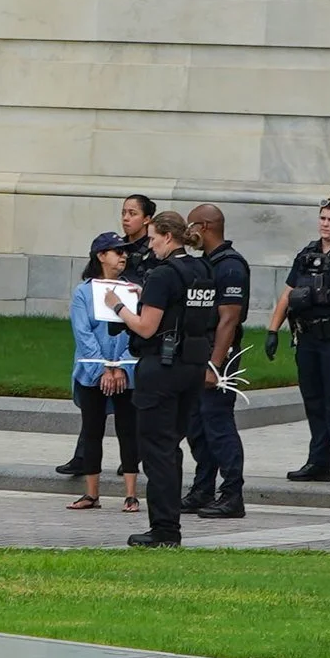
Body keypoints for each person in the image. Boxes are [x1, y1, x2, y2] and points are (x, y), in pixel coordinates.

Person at [116, 211, 217, 549]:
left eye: (155, 237)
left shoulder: (163, 274)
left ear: (168, 237)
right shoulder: (202, 268)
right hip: (192, 365)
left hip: (161, 367)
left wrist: (118, 306)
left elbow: (146, 326)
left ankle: (164, 530)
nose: (151, 244)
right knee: (171, 446)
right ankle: (168, 524)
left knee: (156, 450)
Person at [264, 191, 330, 489]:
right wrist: (273, 329)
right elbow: (288, 292)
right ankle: (318, 462)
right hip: (308, 338)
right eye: (322, 218)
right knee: (313, 400)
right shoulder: (307, 254)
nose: (325, 224)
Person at [62, 231, 139, 513]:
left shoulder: (132, 290)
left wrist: (120, 366)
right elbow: (83, 333)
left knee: (128, 431)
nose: (123, 257)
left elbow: (136, 330)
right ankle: (91, 493)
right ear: (101, 255)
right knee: (92, 430)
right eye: (117, 251)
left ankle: (131, 494)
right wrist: (103, 368)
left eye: (125, 252)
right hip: (91, 373)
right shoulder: (84, 292)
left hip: (126, 373)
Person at [181, 204, 250, 520]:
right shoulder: (206, 263)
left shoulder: (230, 266)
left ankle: (232, 494)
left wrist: (214, 365)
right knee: (197, 424)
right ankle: (203, 489)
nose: (187, 232)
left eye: (190, 225)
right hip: (200, 354)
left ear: (205, 226)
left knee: (218, 423)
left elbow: (229, 319)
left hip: (218, 355)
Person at [116, 193, 157, 279]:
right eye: (123, 213)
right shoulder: (116, 246)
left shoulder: (155, 249)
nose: (125, 218)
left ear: (146, 219)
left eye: (132, 213)